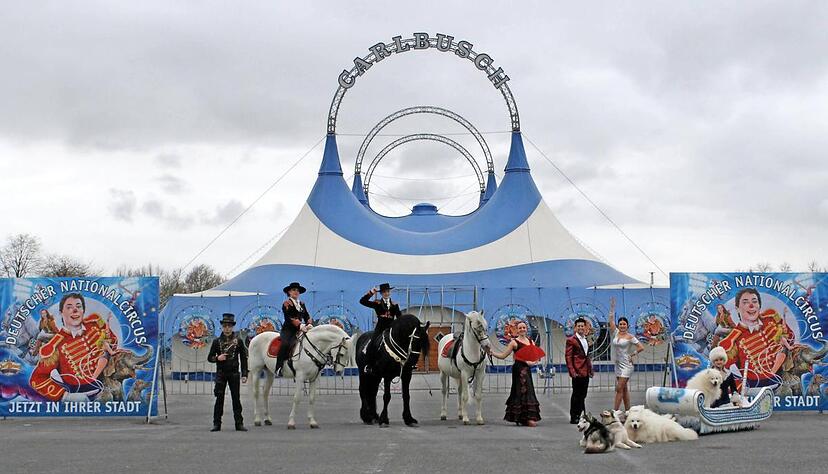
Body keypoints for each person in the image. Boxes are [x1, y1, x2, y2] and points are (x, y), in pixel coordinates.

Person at [30, 293, 118, 401]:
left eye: (78, 306)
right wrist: (65, 396)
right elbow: (37, 379)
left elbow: (113, 340)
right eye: (69, 307)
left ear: (83, 311)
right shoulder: (55, 345)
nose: (75, 310)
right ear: (61, 312)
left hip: (109, 385)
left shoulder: (95, 323)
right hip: (83, 395)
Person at [718, 288, 794, 387]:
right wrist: (744, 389)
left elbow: (790, 336)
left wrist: (783, 337)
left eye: (754, 301)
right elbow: (722, 371)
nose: (751, 305)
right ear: (737, 308)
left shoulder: (771, 317)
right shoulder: (732, 340)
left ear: (759, 305)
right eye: (745, 302)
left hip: (785, 375)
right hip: (759, 386)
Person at [487, 321, 541, 427]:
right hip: (518, 369)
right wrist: (492, 353)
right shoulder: (513, 343)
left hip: (527, 369)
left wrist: (533, 362)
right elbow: (503, 355)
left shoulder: (531, 342)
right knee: (519, 391)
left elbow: (535, 357)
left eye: (524, 327)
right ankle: (522, 418)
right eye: (520, 328)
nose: (522, 330)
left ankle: (528, 417)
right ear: (516, 329)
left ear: (527, 329)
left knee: (528, 390)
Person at [207, 313, 249, 432]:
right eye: (225, 326)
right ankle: (216, 424)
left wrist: (245, 374)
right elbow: (209, 357)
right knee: (219, 399)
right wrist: (217, 358)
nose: (227, 328)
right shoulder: (216, 342)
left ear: (232, 327)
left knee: (236, 399)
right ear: (222, 326)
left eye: (229, 326)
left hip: (234, 373)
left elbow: (244, 358)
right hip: (221, 373)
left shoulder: (239, 341)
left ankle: (239, 423)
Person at [608, 297, 644, 411]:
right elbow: (611, 321)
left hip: (627, 365)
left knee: (619, 388)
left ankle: (615, 411)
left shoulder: (630, 337)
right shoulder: (616, 333)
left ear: (627, 325)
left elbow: (641, 347)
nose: (622, 325)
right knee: (624, 389)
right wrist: (612, 308)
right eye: (621, 324)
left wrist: (632, 355)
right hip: (618, 364)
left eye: (624, 324)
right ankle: (628, 410)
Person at [359, 283, 401, 373]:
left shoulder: (395, 304)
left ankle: (405, 363)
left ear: (390, 292)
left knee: (402, 342)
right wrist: (371, 293)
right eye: (384, 292)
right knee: (372, 343)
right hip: (380, 328)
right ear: (381, 293)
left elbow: (399, 317)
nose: (386, 293)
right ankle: (369, 365)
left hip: (391, 328)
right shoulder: (377, 303)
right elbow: (362, 301)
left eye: (388, 291)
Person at [275, 282, 312, 377]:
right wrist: (300, 325)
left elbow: (307, 315)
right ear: (289, 292)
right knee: (285, 344)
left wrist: (309, 324)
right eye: (293, 290)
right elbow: (289, 317)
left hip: (301, 329)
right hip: (288, 330)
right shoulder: (287, 303)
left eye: (297, 290)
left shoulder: (302, 304)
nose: (296, 292)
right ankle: (278, 367)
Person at [565, 317, 593, 424]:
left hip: (585, 370)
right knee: (576, 394)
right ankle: (574, 416)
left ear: (585, 327)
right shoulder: (571, 340)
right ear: (575, 328)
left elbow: (587, 356)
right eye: (579, 326)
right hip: (577, 371)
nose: (581, 328)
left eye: (582, 326)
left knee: (583, 394)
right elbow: (568, 356)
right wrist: (572, 371)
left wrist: (590, 369)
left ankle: (582, 413)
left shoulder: (585, 339)